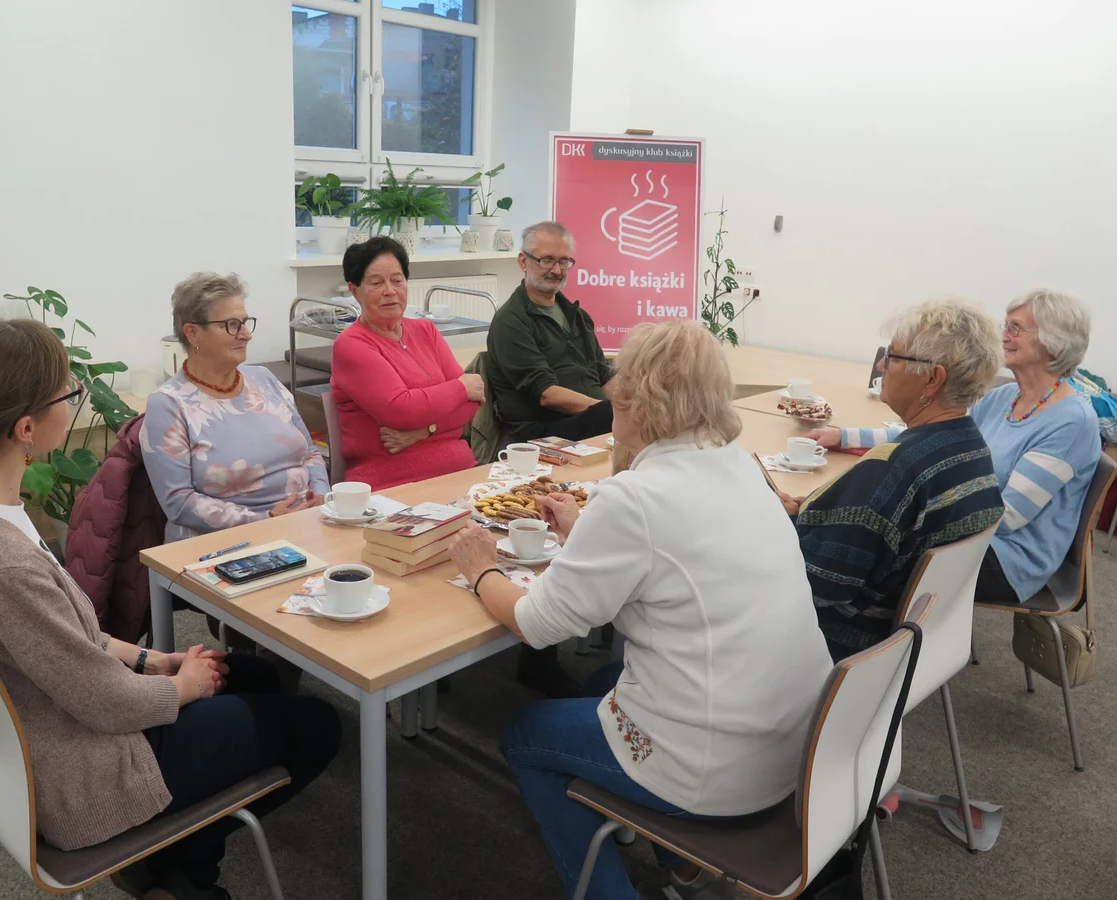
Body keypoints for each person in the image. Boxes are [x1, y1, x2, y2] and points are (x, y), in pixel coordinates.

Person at [0, 320, 341, 900]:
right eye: (67, 393)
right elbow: (106, 701)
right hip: (86, 772)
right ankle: (183, 873)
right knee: (317, 726)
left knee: (255, 677)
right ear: (25, 429)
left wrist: (151, 660)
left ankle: (170, 866)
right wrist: (183, 686)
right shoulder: (2, 565)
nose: (74, 400)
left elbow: (61, 638)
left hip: (25, 738)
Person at [449, 321, 832, 900]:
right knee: (602, 680)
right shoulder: (741, 466)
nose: (610, 390)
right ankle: (682, 866)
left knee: (525, 734)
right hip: (795, 749)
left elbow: (535, 625)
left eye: (620, 380)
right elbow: (673, 558)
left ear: (642, 400)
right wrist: (586, 531)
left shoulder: (633, 498)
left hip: (718, 770)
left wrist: (481, 569)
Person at [811, 289, 1100, 608]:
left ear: (1054, 341)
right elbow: (933, 436)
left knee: (881, 546)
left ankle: (841, 613)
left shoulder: (1071, 422)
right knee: (875, 530)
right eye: (1005, 325)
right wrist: (846, 437)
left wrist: (916, 513)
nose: (1003, 335)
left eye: (1016, 328)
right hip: (968, 530)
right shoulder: (1005, 397)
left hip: (1007, 559)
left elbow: (1007, 517)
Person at [796, 298, 1006, 661]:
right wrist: (820, 511)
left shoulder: (893, 469)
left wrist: (781, 523)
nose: (881, 365)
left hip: (839, 647)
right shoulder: (973, 448)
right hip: (903, 649)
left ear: (932, 379)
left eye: (891, 356)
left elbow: (821, 586)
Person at [141, 272, 330, 542]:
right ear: (192, 332)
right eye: (231, 325)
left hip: (305, 525)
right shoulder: (169, 404)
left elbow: (310, 453)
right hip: (228, 543)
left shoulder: (264, 379)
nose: (246, 335)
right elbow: (178, 501)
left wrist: (320, 496)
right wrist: (265, 521)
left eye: (245, 323)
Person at [330, 236, 483, 490]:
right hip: (394, 484)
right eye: (376, 283)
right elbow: (401, 409)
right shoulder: (351, 345)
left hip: (462, 471)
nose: (390, 291)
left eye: (397, 280)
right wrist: (461, 387)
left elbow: (471, 405)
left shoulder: (426, 330)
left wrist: (425, 431)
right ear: (354, 290)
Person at [486, 221, 613, 443]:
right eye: (547, 260)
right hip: (542, 433)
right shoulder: (511, 321)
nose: (556, 270)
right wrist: (610, 411)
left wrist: (636, 403)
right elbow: (547, 394)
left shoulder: (578, 316)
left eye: (563, 261)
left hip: (593, 420)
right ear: (523, 261)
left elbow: (605, 377)